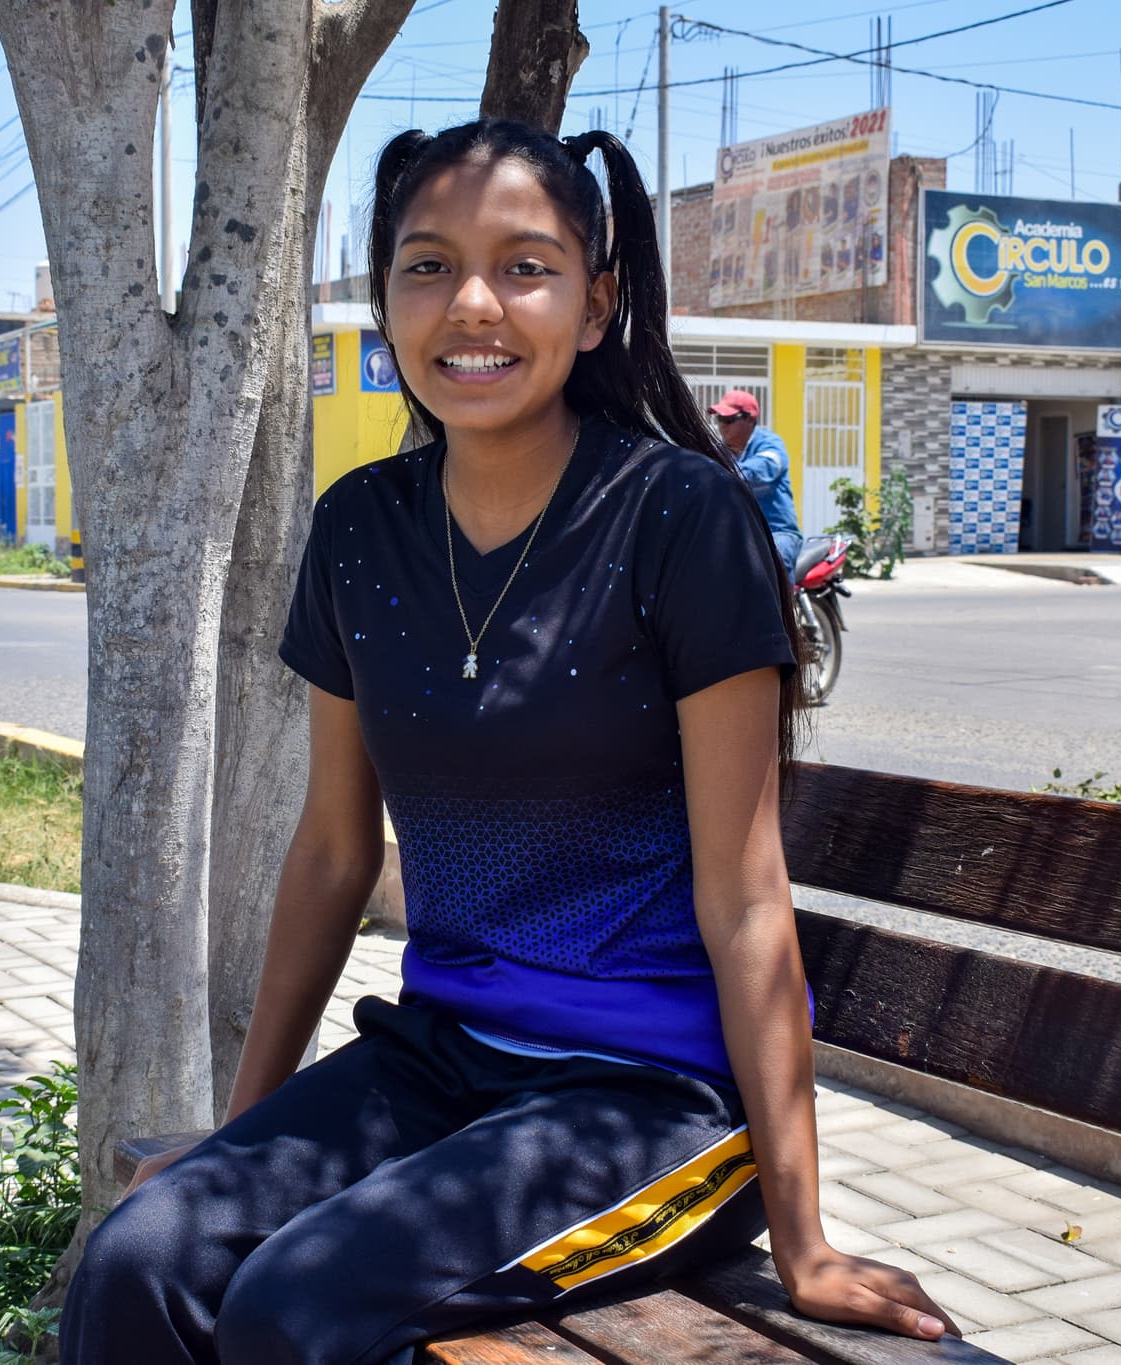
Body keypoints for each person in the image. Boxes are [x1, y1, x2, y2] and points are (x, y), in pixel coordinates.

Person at [59, 119, 956, 1365]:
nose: (470, 303)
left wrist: (802, 1240)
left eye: (522, 267)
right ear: (382, 302)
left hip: (651, 1103)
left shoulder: (674, 519)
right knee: (137, 1264)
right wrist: (241, 1130)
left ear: (594, 306)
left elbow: (746, 897)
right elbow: (331, 849)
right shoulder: (360, 530)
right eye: (426, 266)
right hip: (442, 1059)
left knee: (292, 1307)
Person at [710, 389, 803, 580]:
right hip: (739, 534)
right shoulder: (719, 452)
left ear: (750, 420)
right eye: (719, 419)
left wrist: (720, 475)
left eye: (729, 420)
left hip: (776, 532)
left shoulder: (770, 445)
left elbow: (764, 468)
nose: (722, 426)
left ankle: (782, 609)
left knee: (775, 560)